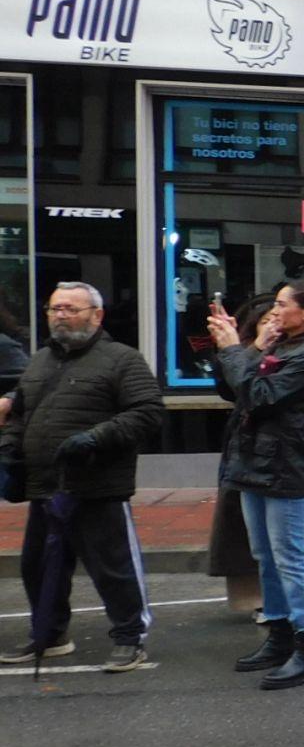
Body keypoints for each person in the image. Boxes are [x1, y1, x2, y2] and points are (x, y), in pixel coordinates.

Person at [0, 282, 164, 669]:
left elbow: (147, 412)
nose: (60, 316)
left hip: (98, 484)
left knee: (114, 568)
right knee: (38, 566)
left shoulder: (122, 359)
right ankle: (49, 635)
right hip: (46, 485)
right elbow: (22, 412)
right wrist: (10, 447)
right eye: (54, 309)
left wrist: (95, 438)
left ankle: (130, 638)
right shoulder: (40, 361)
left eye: (71, 309)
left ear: (96, 315)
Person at [210, 282, 304, 689]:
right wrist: (249, 348)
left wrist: (235, 348)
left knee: (290, 557)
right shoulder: (280, 346)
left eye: (283, 305)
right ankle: (280, 636)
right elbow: (233, 390)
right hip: (252, 462)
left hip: (283, 465)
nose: (274, 310)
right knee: (264, 555)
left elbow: (258, 394)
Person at [205, 296, 275, 620]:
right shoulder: (245, 356)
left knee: (286, 538)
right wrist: (239, 348)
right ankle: (259, 600)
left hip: (282, 455)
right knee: (247, 532)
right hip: (244, 451)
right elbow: (229, 387)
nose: (271, 327)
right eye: (264, 322)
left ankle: (285, 605)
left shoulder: (298, 354)